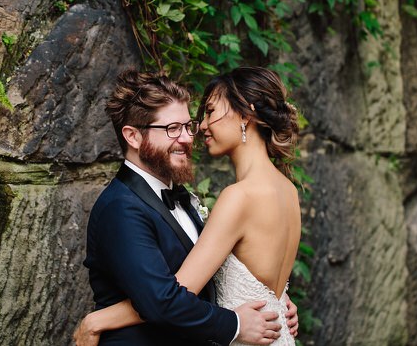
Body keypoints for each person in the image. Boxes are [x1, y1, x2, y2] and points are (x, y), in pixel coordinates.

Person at [76, 68, 300, 345]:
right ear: (133, 137)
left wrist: (97, 320)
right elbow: (164, 299)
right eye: (172, 128)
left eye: (188, 125)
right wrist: (251, 313)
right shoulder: (120, 206)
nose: (192, 134)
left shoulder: (232, 196)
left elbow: (185, 288)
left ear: (245, 116)